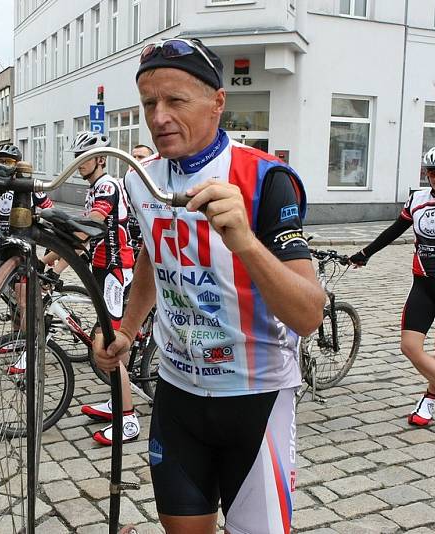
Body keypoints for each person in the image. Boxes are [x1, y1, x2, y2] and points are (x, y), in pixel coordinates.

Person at [93, 38, 324, 533]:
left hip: (256, 397)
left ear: (218, 102)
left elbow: (308, 314)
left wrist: (244, 240)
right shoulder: (142, 179)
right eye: (149, 103)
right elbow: (155, 264)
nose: (159, 117)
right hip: (177, 396)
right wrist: (127, 329)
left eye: (175, 101)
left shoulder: (266, 178)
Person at [350, 145, 435, 432]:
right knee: (409, 346)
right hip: (421, 284)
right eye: (432, 173)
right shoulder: (417, 200)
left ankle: (429, 401)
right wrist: (366, 252)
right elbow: (395, 230)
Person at [43, 131, 140, 446]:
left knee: (105, 344)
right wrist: (48, 264)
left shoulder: (108, 186)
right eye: (76, 158)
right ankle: (117, 401)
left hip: (114, 270)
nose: (79, 164)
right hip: (100, 268)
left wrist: (51, 258)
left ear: (100, 159)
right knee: (102, 342)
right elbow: (80, 244)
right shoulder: (93, 189)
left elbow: (87, 228)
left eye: (84, 158)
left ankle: (128, 419)